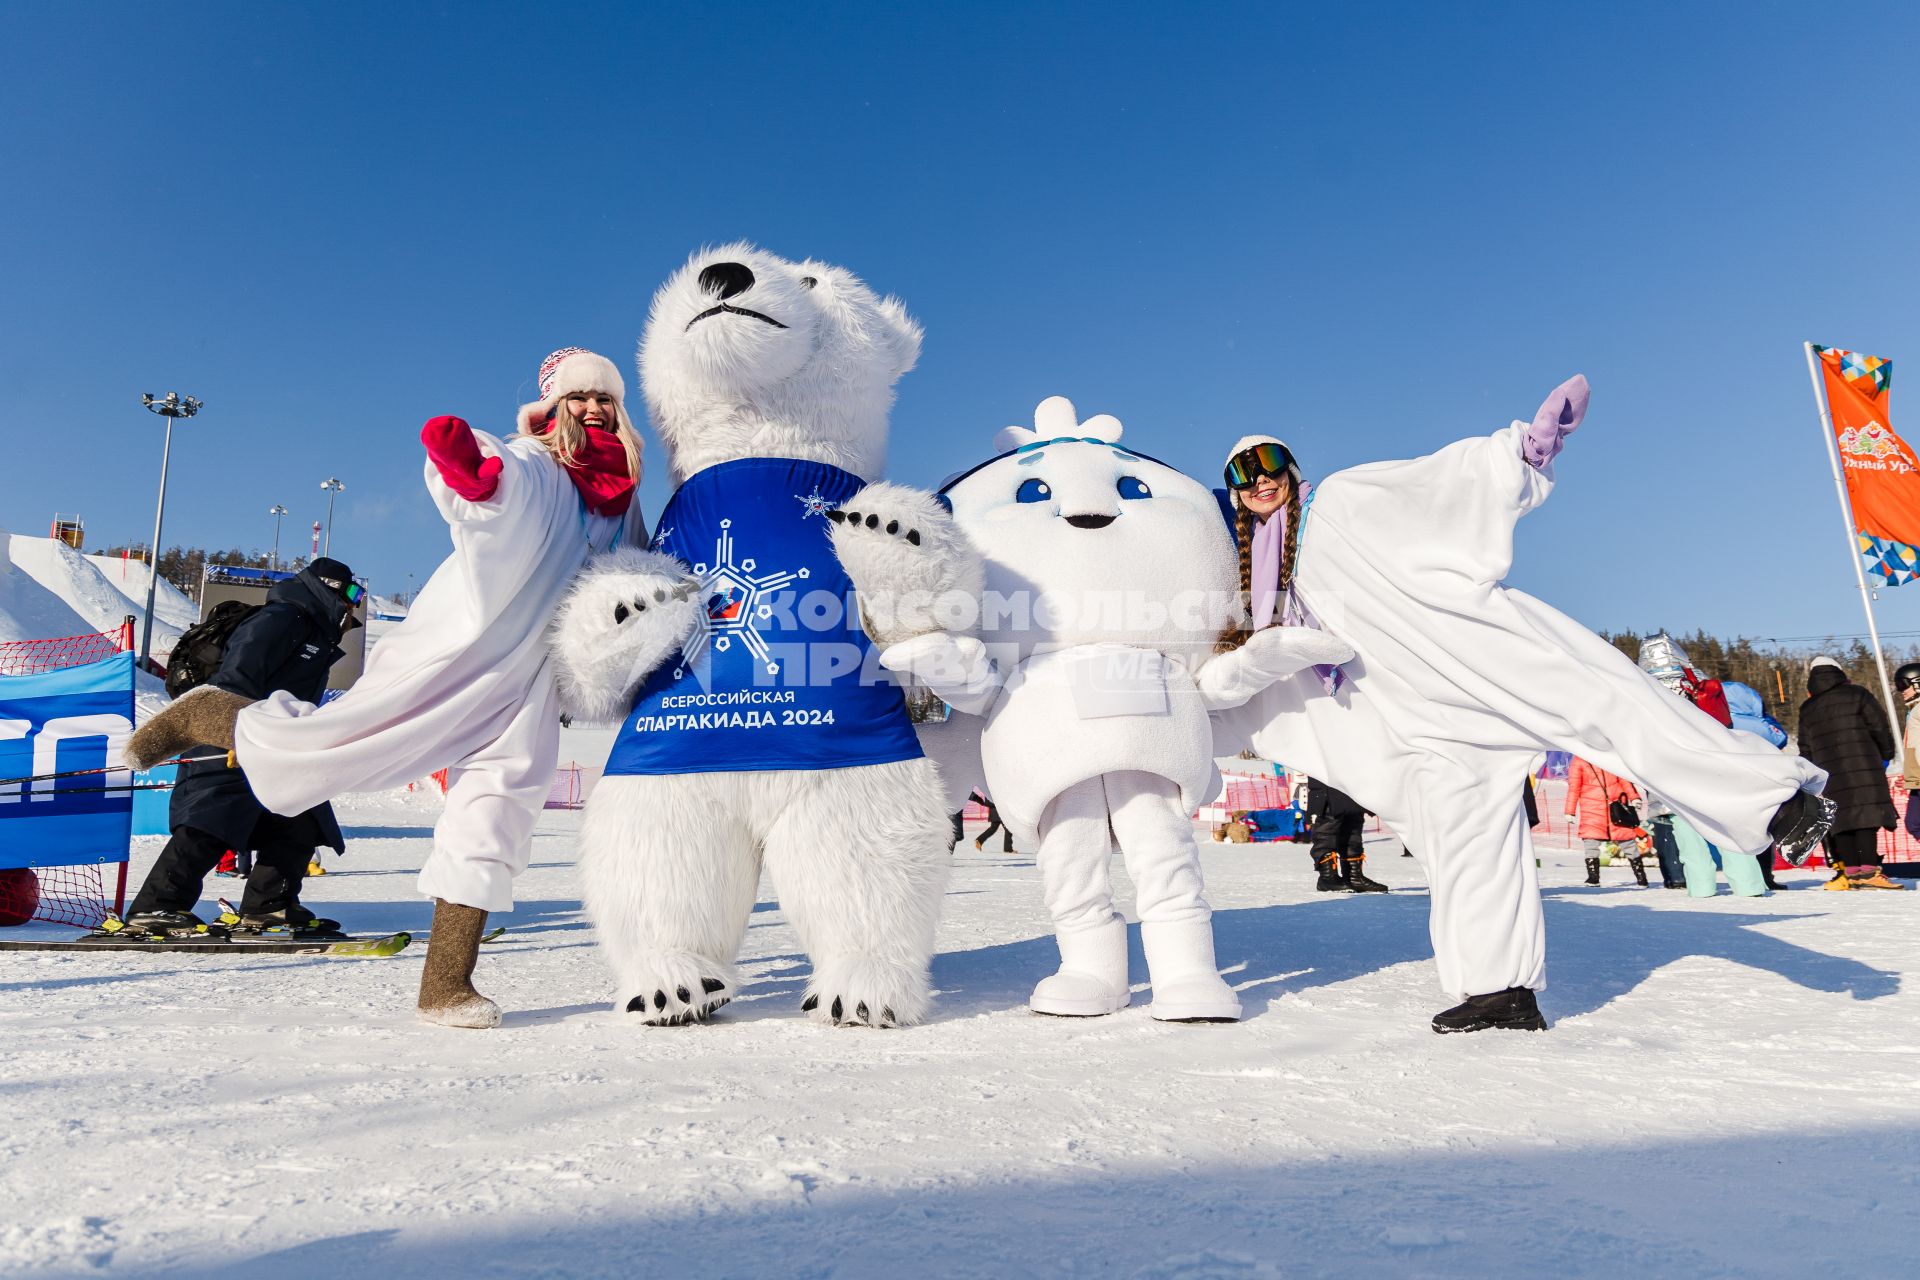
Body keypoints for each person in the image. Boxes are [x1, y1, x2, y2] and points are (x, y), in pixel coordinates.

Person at [1210, 378, 1834, 1034]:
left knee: (1613, 705)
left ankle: (1777, 803)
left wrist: (1520, 453)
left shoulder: (1342, 499)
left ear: (1292, 470)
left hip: (1484, 646)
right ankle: (1498, 988)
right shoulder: (1267, 586)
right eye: (1243, 477)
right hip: (1431, 716)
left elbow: (1436, 482)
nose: (1261, 483)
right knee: (1465, 834)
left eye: (1271, 466)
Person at [127, 347, 649, 1023]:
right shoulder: (537, 465)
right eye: (579, 397)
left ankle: (445, 985)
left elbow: (638, 566)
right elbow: (497, 493)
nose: (594, 408)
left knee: (497, 817)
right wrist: (470, 471)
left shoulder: (619, 496)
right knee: (343, 745)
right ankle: (214, 717)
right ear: (551, 408)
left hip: (533, 682)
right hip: (463, 653)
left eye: (605, 398)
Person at [124, 559, 358, 935]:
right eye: (351, 593)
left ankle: (270, 906)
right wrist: (231, 732)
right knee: (211, 820)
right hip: (229, 733)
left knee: (299, 817)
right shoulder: (284, 618)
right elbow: (236, 677)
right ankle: (158, 905)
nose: (354, 604)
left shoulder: (317, 631)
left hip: (274, 744)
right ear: (329, 586)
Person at [1798, 656, 1906, 890]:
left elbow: (1804, 747)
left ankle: (1851, 872)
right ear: (1839, 672)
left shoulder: (1808, 707)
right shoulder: (1857, 694)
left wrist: (1812, 775)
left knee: (1841, 819)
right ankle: (1868, 871)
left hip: (1828, 773)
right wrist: (1886, 753)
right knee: (1866, 816)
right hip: (1864, 765)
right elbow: (1878, 725)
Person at [1304, 777, 1387, 891]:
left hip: (1352, 780)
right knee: (1327, 827)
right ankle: (1327, 877)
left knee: (1352, 825)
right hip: (1327, 781)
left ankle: (1354, 877)